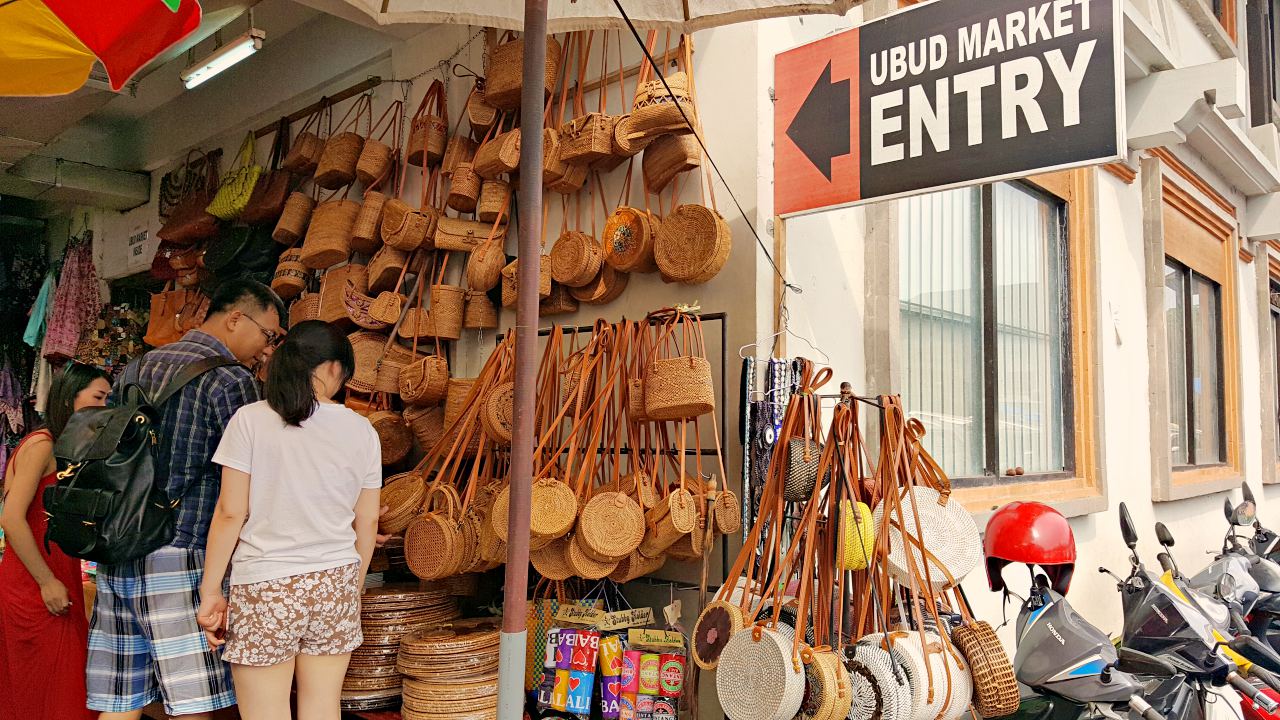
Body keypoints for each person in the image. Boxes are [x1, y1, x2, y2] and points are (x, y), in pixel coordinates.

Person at [87, 279, 286, 720]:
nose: (267, 349)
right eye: (269, 336)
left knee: (124, 701)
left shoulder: (137, 368)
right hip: (183, 554)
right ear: (236, 318)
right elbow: (252, 479)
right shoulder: (230, 380)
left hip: (119, 546)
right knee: (192, 703)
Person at [196, 320, 381, 720]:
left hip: (266, 584)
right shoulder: (363, 431)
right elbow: (365, 522)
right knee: (322, 708)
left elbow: (230, 512)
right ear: (333, 367)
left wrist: (211, 590)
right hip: (335, 581)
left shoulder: (250, 420)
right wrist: (354, 584)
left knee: (266, 713)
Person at [0, 363, 111, 720]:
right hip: (35, 583)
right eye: (98, 396)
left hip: (53, 578)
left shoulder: (61, 447)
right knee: (57, 692)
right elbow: (11, 517)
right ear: (70, 397)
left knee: (52, 689)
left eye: (108, 398)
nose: (105, 405)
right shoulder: (42, 444)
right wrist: (47, 581)